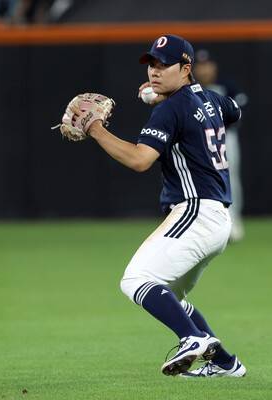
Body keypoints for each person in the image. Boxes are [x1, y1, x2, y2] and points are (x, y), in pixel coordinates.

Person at [72, 34, 247, 377]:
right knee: (171, 298)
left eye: (164, 65)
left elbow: (140, 160)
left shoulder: (170, 109)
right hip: (217, 219)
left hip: (195, 212)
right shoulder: (211, 98)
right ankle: (225, 363)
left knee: (136, 279)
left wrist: (95, 129)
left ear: (185, 68)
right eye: (151, 63)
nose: (154, 70)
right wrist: (165, 96)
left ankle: (192, 339)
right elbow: (233, 111)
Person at [193, 49, 248, 242]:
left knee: (230, 179)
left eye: (207, 65)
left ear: (214, 66)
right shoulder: (189, 89)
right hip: (197, 139)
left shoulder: (226, 86)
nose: (204, 70)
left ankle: (233, 221)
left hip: (225, 137)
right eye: (200, 66)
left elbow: (239, 111)